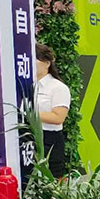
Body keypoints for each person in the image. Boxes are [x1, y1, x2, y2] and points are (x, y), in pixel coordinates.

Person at [35, 43, 71, 178]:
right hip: (29, 137)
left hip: (49, 139)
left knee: (51, 177)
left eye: (34, 59)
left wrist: (28, 115)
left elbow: (58, 118)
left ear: (47, 63)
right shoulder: (28, 84)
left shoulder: (57, 87)